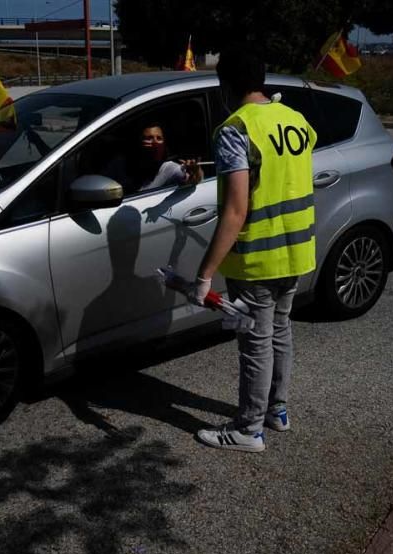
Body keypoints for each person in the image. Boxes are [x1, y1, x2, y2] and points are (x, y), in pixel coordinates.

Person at [189, 47, 317, 453]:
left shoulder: (236, 129)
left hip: (258, 259)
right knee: (280, 332)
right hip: (296, 252)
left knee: (255, 343)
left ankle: (248, 429)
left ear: (226, 86)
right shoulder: (294, 120)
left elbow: (235, 210)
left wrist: (204, 273)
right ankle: (276, 411)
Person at [102, 121, 203, 193]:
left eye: (159, 138)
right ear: (138, 142)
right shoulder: (120, 165)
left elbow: (193, 180)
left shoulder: (168, 168)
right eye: (149, 138)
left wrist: (196, 172)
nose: (155, 143)